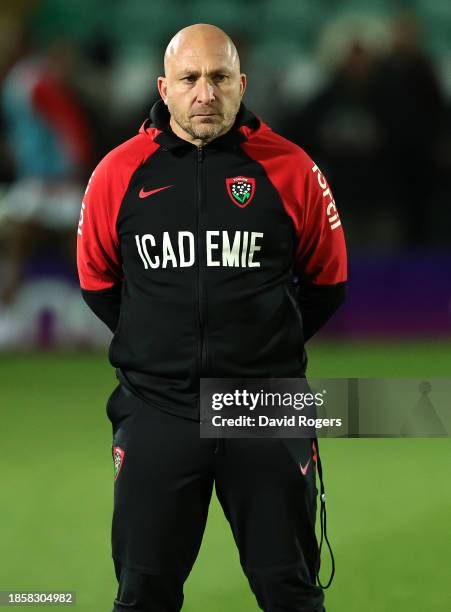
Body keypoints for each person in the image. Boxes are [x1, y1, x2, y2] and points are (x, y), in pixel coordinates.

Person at [77, 24, 347, 612]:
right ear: (164, 88)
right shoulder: (118, 174)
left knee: (290, 593)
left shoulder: (292, 168)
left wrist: (261, 354)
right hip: (157, 408)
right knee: (143, 593)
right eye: (190, 78)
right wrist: (161, 350)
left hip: (265, 407)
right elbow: (98, 283)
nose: (205, 92)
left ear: (241, 84)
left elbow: (327, 283)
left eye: (220, 77)